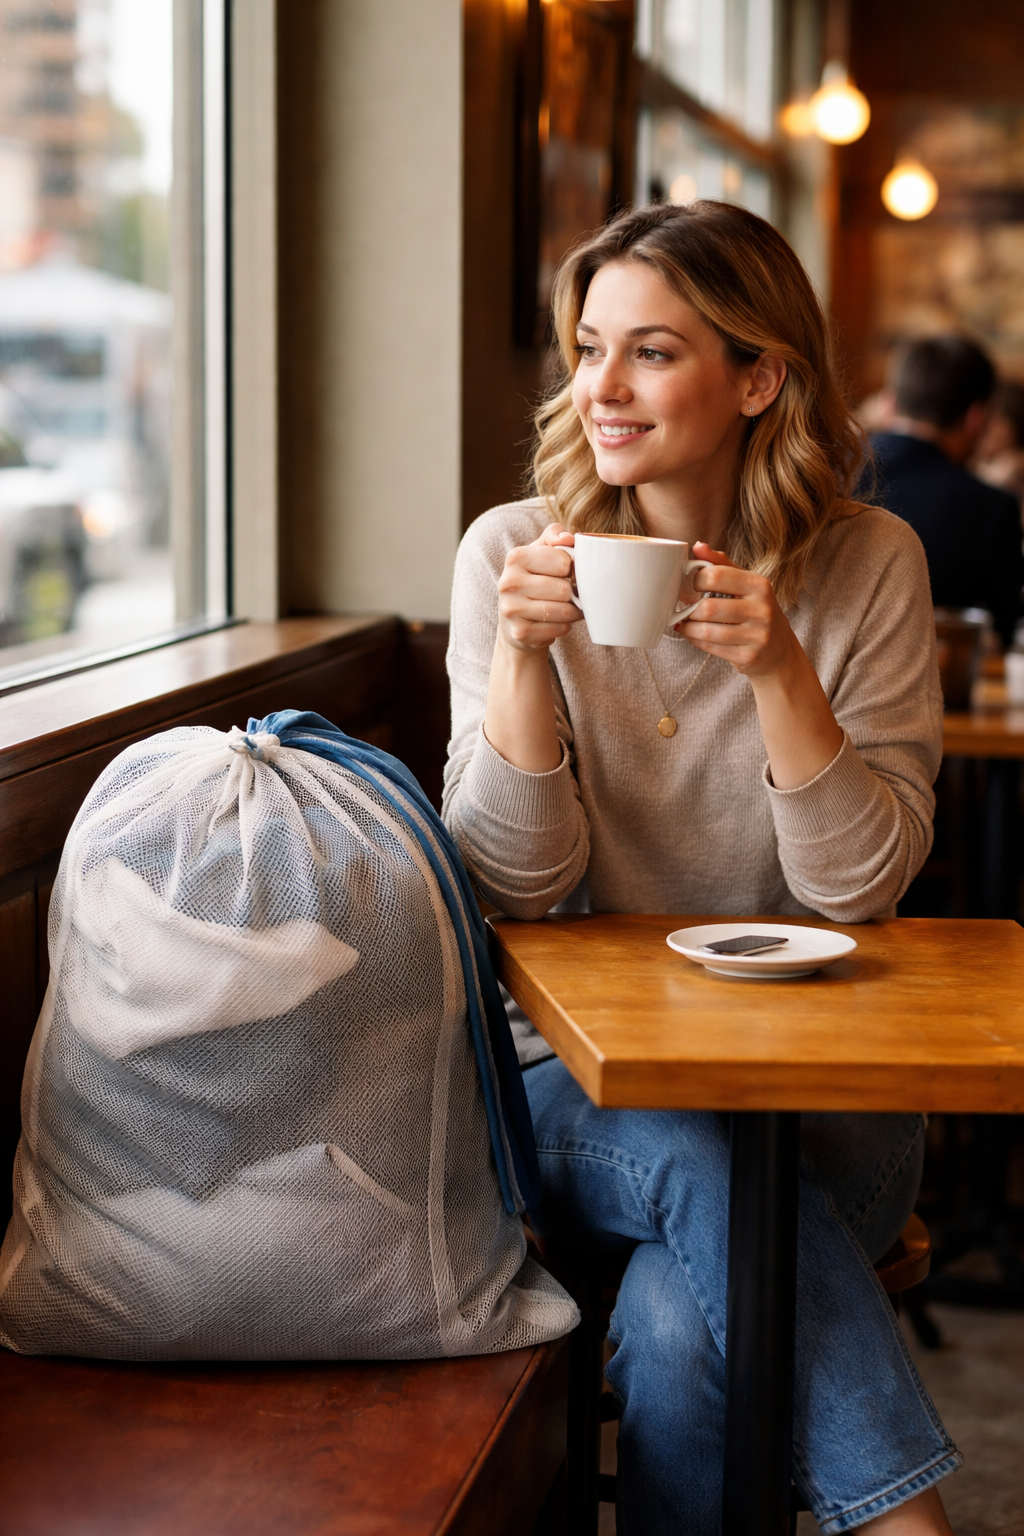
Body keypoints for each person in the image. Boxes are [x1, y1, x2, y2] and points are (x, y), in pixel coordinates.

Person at [443, 201, 959, 1534]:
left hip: (821, 1091)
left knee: (683, 1330)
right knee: (709, 1183)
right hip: (582, 1091)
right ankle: (908, 1521)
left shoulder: (867, 564)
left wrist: (783, 670)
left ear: (758, 376)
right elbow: (508, 880)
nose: (599, 389)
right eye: (589, 348)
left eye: (652, 353)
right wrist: (522, 666)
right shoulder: (513, 555)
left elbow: (858, 893)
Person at [869, 336, 1024, 648]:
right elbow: (1005, 630)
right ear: (975, 419)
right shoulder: (991, 508)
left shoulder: (825, 474)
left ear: (889, 402)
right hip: (939, 689)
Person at [972, 378, 1024, 507]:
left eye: (986, 427)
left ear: (1009, 429)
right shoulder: (980, 464)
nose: (978, 431)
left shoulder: (1010, 467)